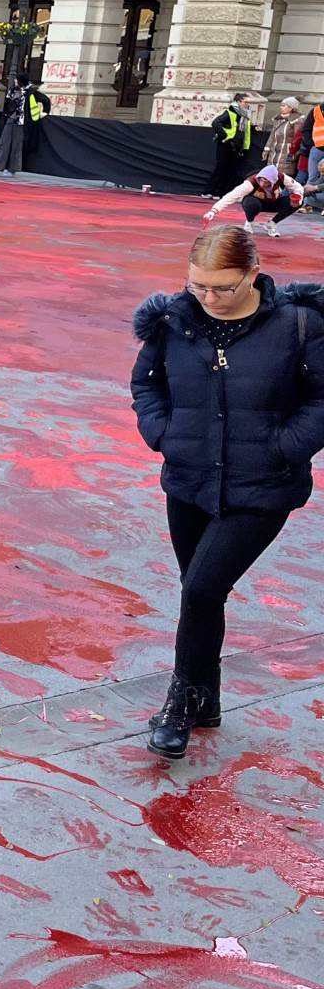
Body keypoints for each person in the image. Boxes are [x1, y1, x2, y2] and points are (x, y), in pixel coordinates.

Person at [130, 227, 324, 758]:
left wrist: (284, 446)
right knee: (201, 591)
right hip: (189, 479)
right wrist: (162, 433)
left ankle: (180, 702)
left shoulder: (298, 325)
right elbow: (147, 383)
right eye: (199, 287)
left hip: (263, 487)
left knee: (199, 589)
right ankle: (207, 699)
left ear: (253, 272)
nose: (210, 298)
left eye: (223, 287)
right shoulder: (174, 321)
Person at [207, 164, 306, 238]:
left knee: (299, 202)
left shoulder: (282, 178)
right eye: (261, 180)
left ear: (273, 180)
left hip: (274, 202)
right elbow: (232, 196)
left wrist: (298, 196)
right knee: (250, 203)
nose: (262, 184)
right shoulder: (251, 182)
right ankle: (249, 222)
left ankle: (272, 224)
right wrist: (214, 210)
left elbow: (298, 188)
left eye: (266, 182)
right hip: (256, 203)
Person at [207, 93, 254, 197]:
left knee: (231, 170)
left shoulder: (245, 115)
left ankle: (222, 193)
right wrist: (226, 136)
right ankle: (209, 191)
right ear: (238, 102)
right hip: (226, 144)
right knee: (221, 168)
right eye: (245, 102)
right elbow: (215, 123)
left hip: (237, 146)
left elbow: (243, 130)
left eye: (248, 102)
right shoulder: (230, 113)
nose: (248, 104)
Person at [0, 79, 33, 175]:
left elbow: (44, 100)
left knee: (16, 146)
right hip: (10, 118)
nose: (15, 82)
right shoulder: (12, 90)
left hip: (21, 121)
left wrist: (45, 111)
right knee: (3, 142)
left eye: (17, 80)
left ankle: (12, 169)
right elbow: (7, 104)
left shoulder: (30, 92)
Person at [262, 96, 307, 178]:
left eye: (283, 105)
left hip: (287, 152)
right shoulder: (278, 119)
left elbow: (297, 138)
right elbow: (272, 135)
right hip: (274, 151)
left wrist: (293, 153)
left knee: (282, 176)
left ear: (290, 108)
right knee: (270, 175)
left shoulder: (297, 120)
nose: (281, 107)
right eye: (281, 105)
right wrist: (267, 149)